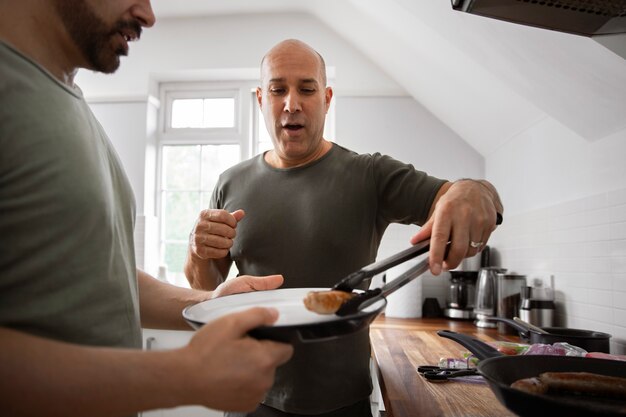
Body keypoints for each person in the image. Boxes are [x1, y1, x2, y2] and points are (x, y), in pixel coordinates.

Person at [0, 2, 294, 416]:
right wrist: (181, 374)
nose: (149, 14)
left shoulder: (69, 100)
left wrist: (210, 301)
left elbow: (99, 278)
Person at [184, 39, 504, 417]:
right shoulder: (230, 182)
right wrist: (195, 249)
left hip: (343, 402)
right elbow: (207, 289)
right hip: (247, 394)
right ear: (260, 99)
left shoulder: (369, 174)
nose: (291, 103)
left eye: (307, 89)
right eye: (277, 90)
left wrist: (475, 190)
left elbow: (466, 196)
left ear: (327, 98)